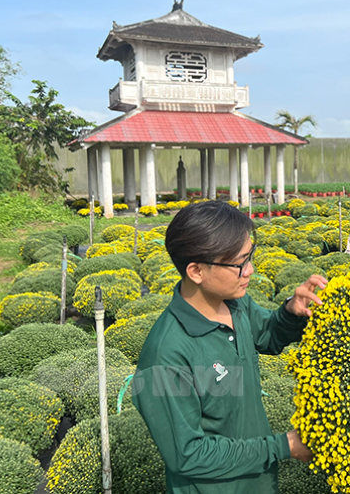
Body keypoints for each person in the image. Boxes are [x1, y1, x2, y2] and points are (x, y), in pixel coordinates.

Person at [132, 201, 327, 494]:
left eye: (250, 258)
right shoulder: (166, 356)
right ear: (196, 271)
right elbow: (189, 455)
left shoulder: (235, 305)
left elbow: (269, 336)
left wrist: (291, 311)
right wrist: (281, 446)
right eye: (239, 263)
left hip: (259, 482)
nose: (250, 271)